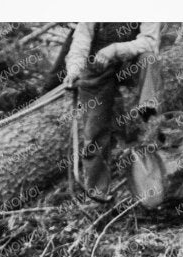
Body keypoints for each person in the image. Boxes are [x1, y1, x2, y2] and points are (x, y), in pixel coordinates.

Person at [60, 22, 161, 197]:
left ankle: (149, 113)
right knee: (94, 130)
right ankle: (97, 192)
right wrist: (74, 70)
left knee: (149, 58)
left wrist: (115, 49)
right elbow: (81, 42)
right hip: (97, 69)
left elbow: (150, 42)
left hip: (130, 63)